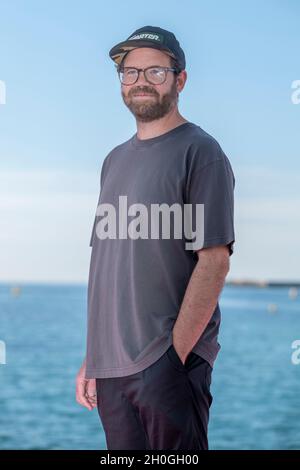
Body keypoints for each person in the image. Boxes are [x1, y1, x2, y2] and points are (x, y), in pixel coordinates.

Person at [76, 25, 235, 450]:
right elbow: (110, 265)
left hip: (166, 364)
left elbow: (214, 260)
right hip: (111, 368)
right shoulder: (113, 161)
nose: (140, 81)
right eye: (130, 72)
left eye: (155, 72)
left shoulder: (200, 152)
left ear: (179, 80)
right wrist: (94, 356)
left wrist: (174, 356)